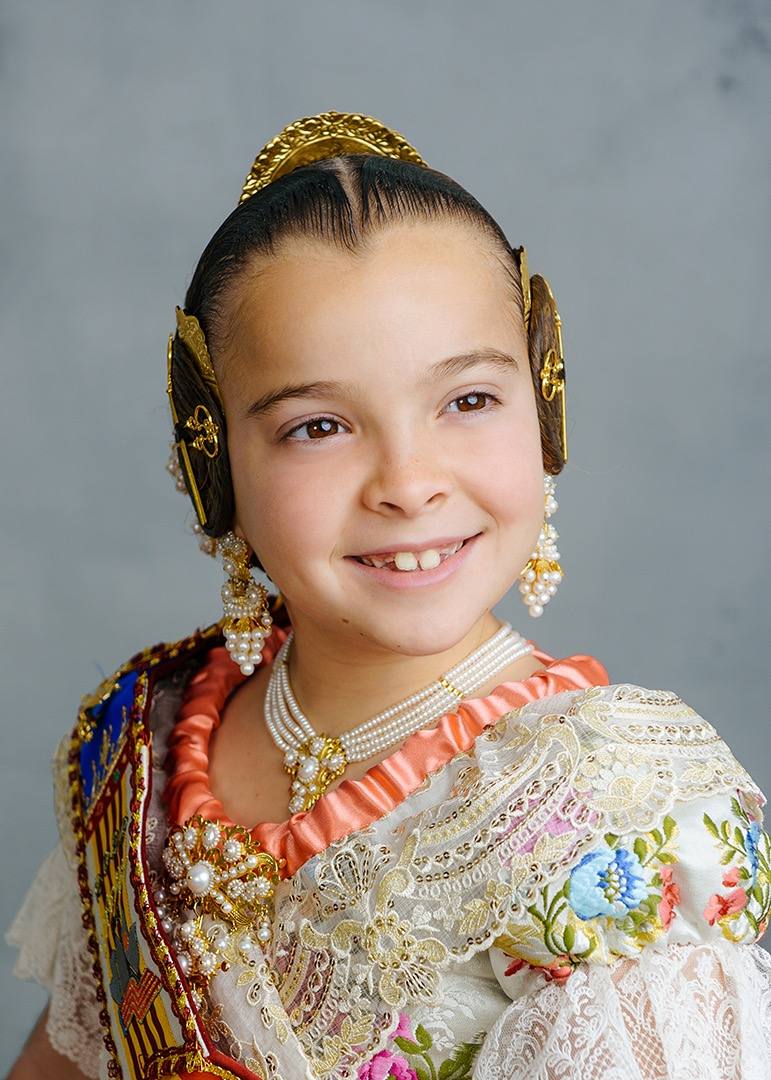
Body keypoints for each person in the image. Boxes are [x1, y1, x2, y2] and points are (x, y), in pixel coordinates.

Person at [6, 110, 771, 1080]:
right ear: (214, 463)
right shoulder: (148, 735)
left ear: (546, 404)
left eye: (468, 401)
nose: (408, 482)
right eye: (319, 427)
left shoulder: (618, 803)